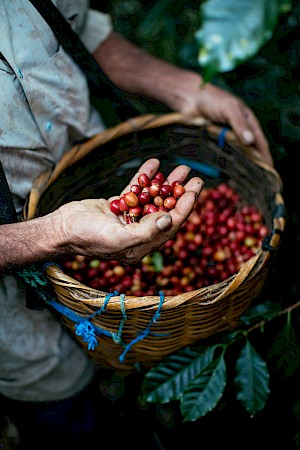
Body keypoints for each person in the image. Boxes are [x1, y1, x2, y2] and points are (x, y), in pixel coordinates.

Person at [0, 1, 274, 449]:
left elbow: (81, 31)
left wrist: (186, 88)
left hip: (101, 202)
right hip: (21, 340)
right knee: (74, 429)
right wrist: (55, 234)